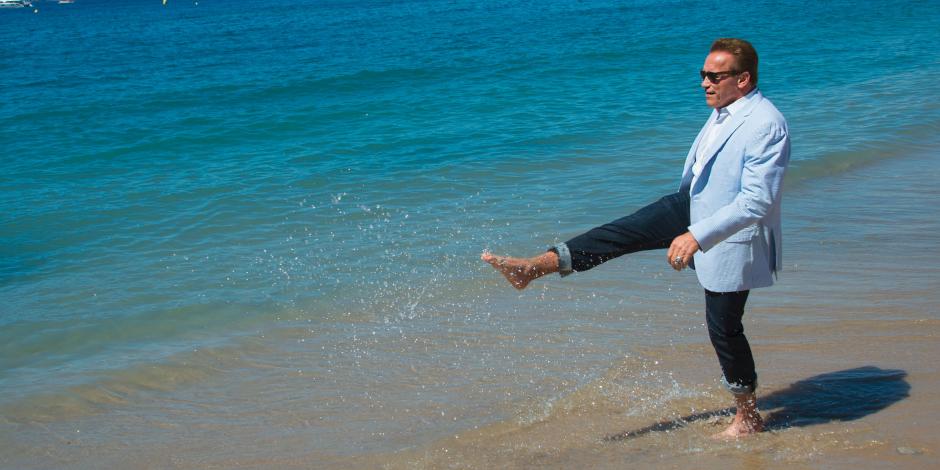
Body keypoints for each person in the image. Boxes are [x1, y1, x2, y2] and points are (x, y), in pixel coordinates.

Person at [482, 38, 790, 439]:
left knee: (724, 327)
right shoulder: (725, 111)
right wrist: (690, 219)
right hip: (691, 206)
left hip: (729, 232)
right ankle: (532, 268)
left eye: (715, 76)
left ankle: (747, 417)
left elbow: (758, 201)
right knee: (620, 233)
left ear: (743, 79)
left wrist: (696, 236)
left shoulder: (767, 123)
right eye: (702, 75)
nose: (704, 84)